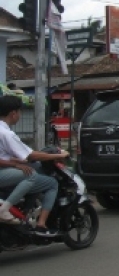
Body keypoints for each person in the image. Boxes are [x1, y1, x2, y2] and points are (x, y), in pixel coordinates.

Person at [0, 95, 70, 237]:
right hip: (2, 173)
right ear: (13, 113)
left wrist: (15, 162)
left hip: (5, 170)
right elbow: (30, 156)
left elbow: (5, 155)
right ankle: (41, 223)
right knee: (48, 182)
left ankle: (25, 213)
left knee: (29, 173)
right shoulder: (6, 133)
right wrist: (59, 156)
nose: (19, 115)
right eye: (20, 112)